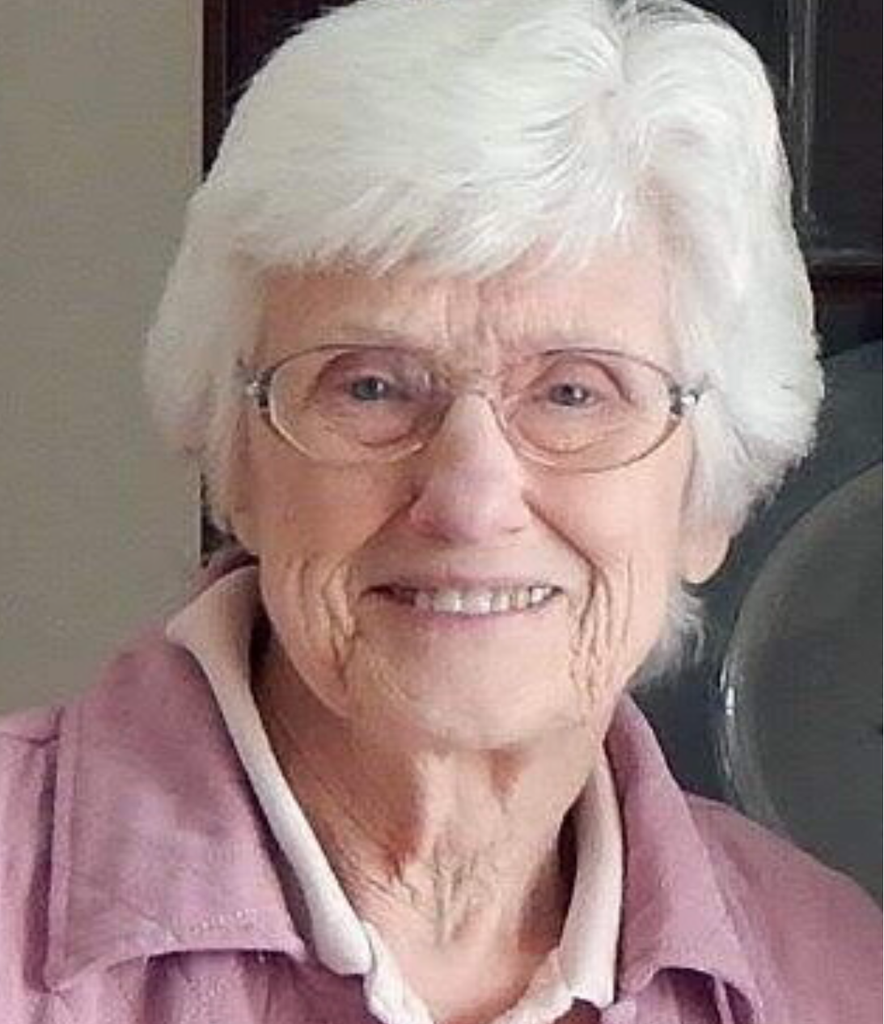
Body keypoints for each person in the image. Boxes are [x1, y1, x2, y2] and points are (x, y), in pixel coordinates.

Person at [2, 0, 880, 1021]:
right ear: (233, 461)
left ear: (706, 500)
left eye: (573, 393)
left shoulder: (833, 976)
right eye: (371, 386)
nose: (469, 498)